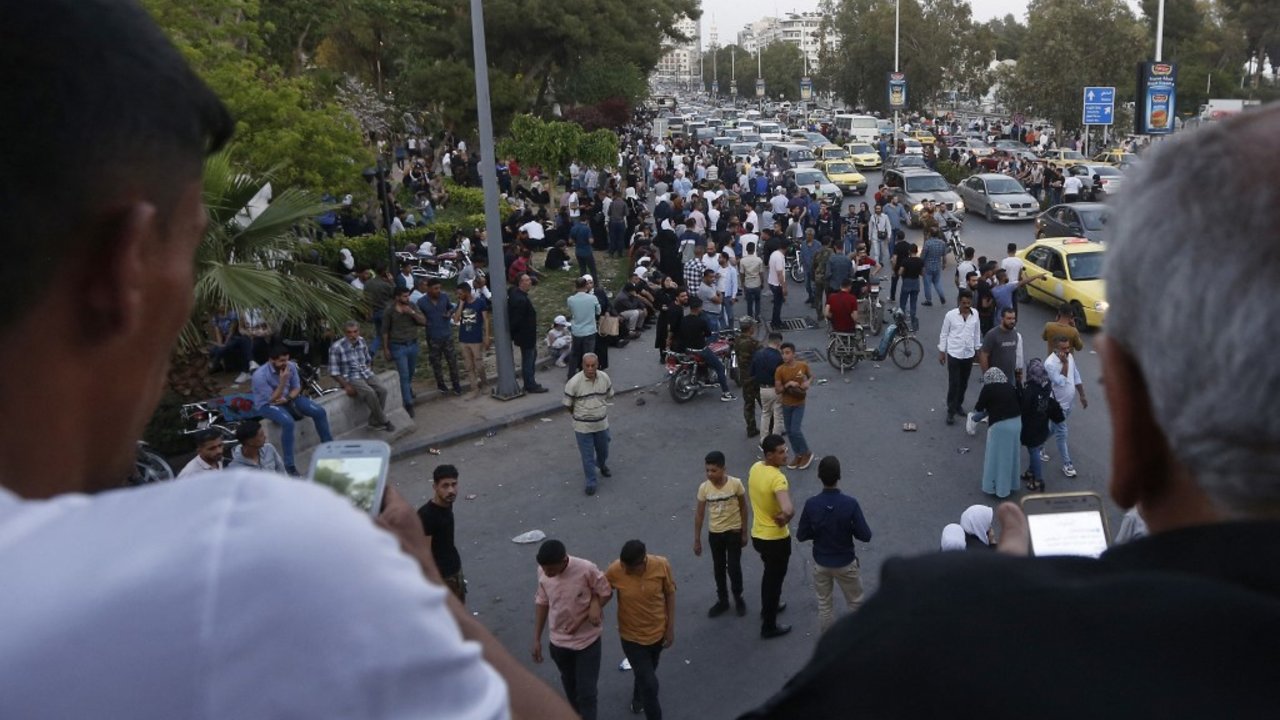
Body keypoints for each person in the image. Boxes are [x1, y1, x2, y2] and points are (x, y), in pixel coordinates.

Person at [532, 540, 613, 720]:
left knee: (587, 693)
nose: (547, 573)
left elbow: (606, 592)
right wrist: (536, 638)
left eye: (551, 570)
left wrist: (592, 608)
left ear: (564, 561)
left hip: (587, 643)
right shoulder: (543, 572)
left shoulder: (586, 569)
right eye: (544, 569)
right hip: (559, 644)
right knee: (570, 686)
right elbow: (542, 602)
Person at [796, 456, 873, 633]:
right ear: (839, 476)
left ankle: (828, 640)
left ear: (819, 476)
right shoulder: (850, 504)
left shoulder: (811, 504)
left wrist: (817, 531)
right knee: (855, 602)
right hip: (846, 562)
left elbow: (801, 535)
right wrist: (849, 529)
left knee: (824, 604)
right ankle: (857, 639)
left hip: (821, 563)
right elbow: (865, 535)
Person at [605, 540, 676, 720]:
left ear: (642, 562)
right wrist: (595, 607)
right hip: (631, 638)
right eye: (623, 565)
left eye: (628, 568)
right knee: (650, 685)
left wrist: (670, 628)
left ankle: (638, 697)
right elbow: (603, 591)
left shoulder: (661, 565)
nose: (624, 570)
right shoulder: (615, 570)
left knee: (647, 671)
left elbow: (670, 593)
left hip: (658, 634)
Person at [250, 344, 333, 476]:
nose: (285, 363)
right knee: (288, 422)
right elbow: (272, 399)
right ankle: (289, 465)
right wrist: (283, 381)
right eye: (281, 361)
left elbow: (296, 388)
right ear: (271, 360)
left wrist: (288, 398)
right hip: (267, 404)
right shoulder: (259, 375)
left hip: (289, 398)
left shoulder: (291, 366)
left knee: (319, 412)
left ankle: (330, 449)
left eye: (287, 360)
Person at [748, 435, 795, 639]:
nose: (786, 455)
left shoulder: (755, 468)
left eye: (786, 450)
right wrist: (787, 516)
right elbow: (788, 508)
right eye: (781, 452)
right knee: (774, 581)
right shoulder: (778, 478)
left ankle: (769, 607)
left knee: (769, 575)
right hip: (776, 540)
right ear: (769, 455)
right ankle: (769, 625)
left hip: (758, 535)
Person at [693, 450, 749, 618]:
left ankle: (738, 597)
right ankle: (723, 600)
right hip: (715, 534)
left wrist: (744, 532)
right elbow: (699, 514)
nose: (710, 474)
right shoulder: (704, 488)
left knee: (733, 567)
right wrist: (697, 539)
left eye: (714, 470)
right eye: (707, 470)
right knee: (718, 568)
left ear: (724, 469)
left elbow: (743, 507)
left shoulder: (735, 484)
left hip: (733, 532)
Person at [329, 321, 395, 432]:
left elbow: (368, 360)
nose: (353, 335)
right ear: (345, 333)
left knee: (383, 390)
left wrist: (368, 372)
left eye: (355, 332)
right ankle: (384, 421)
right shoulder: (336, 347)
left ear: (359, 331)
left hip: (365, 372)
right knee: (370, 393)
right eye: (349, 332)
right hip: (350, 376)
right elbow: (333, 372)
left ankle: (374, 421)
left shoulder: (361, 341)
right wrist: (346, 385)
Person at [563, 353, 613, 496]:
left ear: (598, 365)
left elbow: (609, 395)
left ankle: (601, 465)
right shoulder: (574, 383)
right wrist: (579, 415)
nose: (590, 369)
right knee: (587, 456)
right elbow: (568, 404)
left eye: (593, 365)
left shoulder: (604, 378)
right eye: (587, 365)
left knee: (603, 450)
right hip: (583, 427)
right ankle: (591, 482)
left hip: (601, 424)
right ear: (582, 365)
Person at [672, 296, 735, 402]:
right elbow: (708, 334)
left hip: (687, 349)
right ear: (698, 308)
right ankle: (726, 393)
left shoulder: (683, 320)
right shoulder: (701, 321)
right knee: (720, 367)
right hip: (701, 350)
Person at [418, 464, 466, 602]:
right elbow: (424, 554)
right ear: (435, 487)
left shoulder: (447, 503)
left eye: (454, 484)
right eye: (445, 486)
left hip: (454, 571)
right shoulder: (427, 516)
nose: (451, 490)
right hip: (442, 578)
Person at [973, 367, 1023, 499]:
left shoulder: (988, 388)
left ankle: (998, 488)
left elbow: (979, 407)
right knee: (1011, 456)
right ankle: (1012, 484)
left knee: (996, 457)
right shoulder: (1010, 386)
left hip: (1000, 426)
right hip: (1017, 423)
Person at [1043, 336, 1088, 478]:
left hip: (1069, 403)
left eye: (1068, 347)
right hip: (1057, 406)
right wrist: (1065, 364)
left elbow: (1076, 376)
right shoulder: (1050, 363)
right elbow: (1060, 381)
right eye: (1063, 348)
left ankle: (1038, 445)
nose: (1067, 351)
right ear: (1055, 348)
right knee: (1062, 433)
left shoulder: (1070, 357)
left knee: (1053, 428)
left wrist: (1082, 395)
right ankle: (1067, 464)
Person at [1019, 358, 1064, 493]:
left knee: (1033, 451)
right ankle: (1030, 471)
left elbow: (1024, 406)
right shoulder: (1046, 384)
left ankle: (1038, 479)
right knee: (1035, 449)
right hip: (1043, 421)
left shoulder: (1031, 388)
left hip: (1031, 424)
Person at [937, 290, 981, 425]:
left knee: (964, 382)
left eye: (969, 303)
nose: (966, 306)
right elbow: (944, 334)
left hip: (968, 354)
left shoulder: (975, 314)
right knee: (954, 383)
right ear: (959, 302)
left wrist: (977, 350)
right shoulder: (950, 315)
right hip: (954, 354)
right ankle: (950, 411)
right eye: (964, 303)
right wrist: (942, 351)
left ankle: (958, 405)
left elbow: (977, 333)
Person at [382, 285, 426, 417]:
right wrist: (386, 348)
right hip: (398, 346)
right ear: (397, 297)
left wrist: (411, 313)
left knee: (410, 372)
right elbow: (385, 331)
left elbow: (424, 321)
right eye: (404, 296)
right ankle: (408, 403)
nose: (407, 298)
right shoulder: (389, 310)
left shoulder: (412, 306)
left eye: (408, 296)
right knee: (404, 374)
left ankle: (407, 389)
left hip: (412, 344)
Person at [417, 277, 464, 395]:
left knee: (452, 361)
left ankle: (456, 385)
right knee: (436, 363)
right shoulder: (421, 302)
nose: (438, 291)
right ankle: (441, 385)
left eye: (439, 288)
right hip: (432, 337)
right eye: (435, 288)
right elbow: (418, 317)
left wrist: (449, 312)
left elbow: (452, 307)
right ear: (428, 289)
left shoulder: (444, 297)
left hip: (447, 335)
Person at [775, 342, 814, 470]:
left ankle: (807, 453)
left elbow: (811, 376)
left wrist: (808, 382)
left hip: (799, 404)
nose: (784, 356)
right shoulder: (780, 370)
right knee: (790, 432)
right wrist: (788, 384)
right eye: (782, 353)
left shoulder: (803, 365)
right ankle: (798, 454)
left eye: (787, 353)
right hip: (786, 405)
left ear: (793, 353)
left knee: (795, 430)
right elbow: (778, 390)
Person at [508, 273, 548, 393]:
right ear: (521, 283)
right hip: (526, 335)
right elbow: (517, 320)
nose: (530, 282)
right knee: (528, 360)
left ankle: (529, 383)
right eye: (527, 280)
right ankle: (530, 384)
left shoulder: (516, 294)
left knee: (530, 357)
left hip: (525, 335)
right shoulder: (521, 300)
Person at [454, 281, 491, 396]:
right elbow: (456, 319)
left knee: (479, 364)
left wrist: (487, 336)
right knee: (468, 366)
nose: (458, 296)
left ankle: (484, 384)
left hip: (476, 338)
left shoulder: (480, 302)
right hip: (464, 338)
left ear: (467, 292)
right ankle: (474, 388)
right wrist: (461, 304)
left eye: (460, 294)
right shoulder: (461, 303)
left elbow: (486, 320)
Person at [566, 276, 601, 379]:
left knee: (574, 354)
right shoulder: (592, 298)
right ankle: (586, 375)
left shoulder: (571, 299)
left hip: (577, 330)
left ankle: (571, 375)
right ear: (586, 286)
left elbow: (571, 311)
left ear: (575, 286)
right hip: (590, 330)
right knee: (588, 355)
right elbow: (598, 311)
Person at [752, 332, 786, 438]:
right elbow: (782, 375)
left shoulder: (758, 354)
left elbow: (752, 372)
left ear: (768, 341)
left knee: (765, 414)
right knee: (778, 415)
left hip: (763, 389)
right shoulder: (778, 357)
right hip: (775, 389)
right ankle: (776, 441)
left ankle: (763, 440)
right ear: (779, 343)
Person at [734, 318, 763, 436]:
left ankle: (751, 428)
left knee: (748, 404)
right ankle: (772, 427)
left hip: (744, 377)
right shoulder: (753, 343)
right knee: (765, 404)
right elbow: (761, 358)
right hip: (755, 377)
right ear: (750, 328)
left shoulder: (737, 340)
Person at [896, 243, 924, 332]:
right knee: (913, 303)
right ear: (917, 251)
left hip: (907, 282)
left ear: (909, 251)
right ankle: (913, 323)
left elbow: (900, 272)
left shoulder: (905, 261)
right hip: (916, 282)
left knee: (903, 302)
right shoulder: (920, 261)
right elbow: (923, 273)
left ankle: (901, 322)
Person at [919, 229, 948, 307]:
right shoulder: (942, 243)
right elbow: (944, 255)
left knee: (927, 284)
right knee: (937, 282)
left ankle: (928, 300)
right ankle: (941, 296)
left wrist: (920, 265)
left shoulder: (927, 243)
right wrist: (944, 264)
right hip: (937, 265)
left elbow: (923, 256)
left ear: (930, 234)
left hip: (928, 266)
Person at [740, 238, 764, 320]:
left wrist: (742, 283)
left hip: (748, 284)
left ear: (746, 250)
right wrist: (762, 282)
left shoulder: (742, 261)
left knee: (749, 303)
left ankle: (750, 318)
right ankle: (757, 316)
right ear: (754, 250)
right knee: (757, 301)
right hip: (757, 283)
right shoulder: (759, 260)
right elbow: (761, 273)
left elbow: (742, 274)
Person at [767, 239, 788, 330]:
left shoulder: (774, 254)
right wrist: (784, 287)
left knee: (777, 304)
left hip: (772, 282)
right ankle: (776, 323)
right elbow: (780, 274)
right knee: (778, 305)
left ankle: (776, 321)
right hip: (777, 284)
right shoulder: (780, 257)